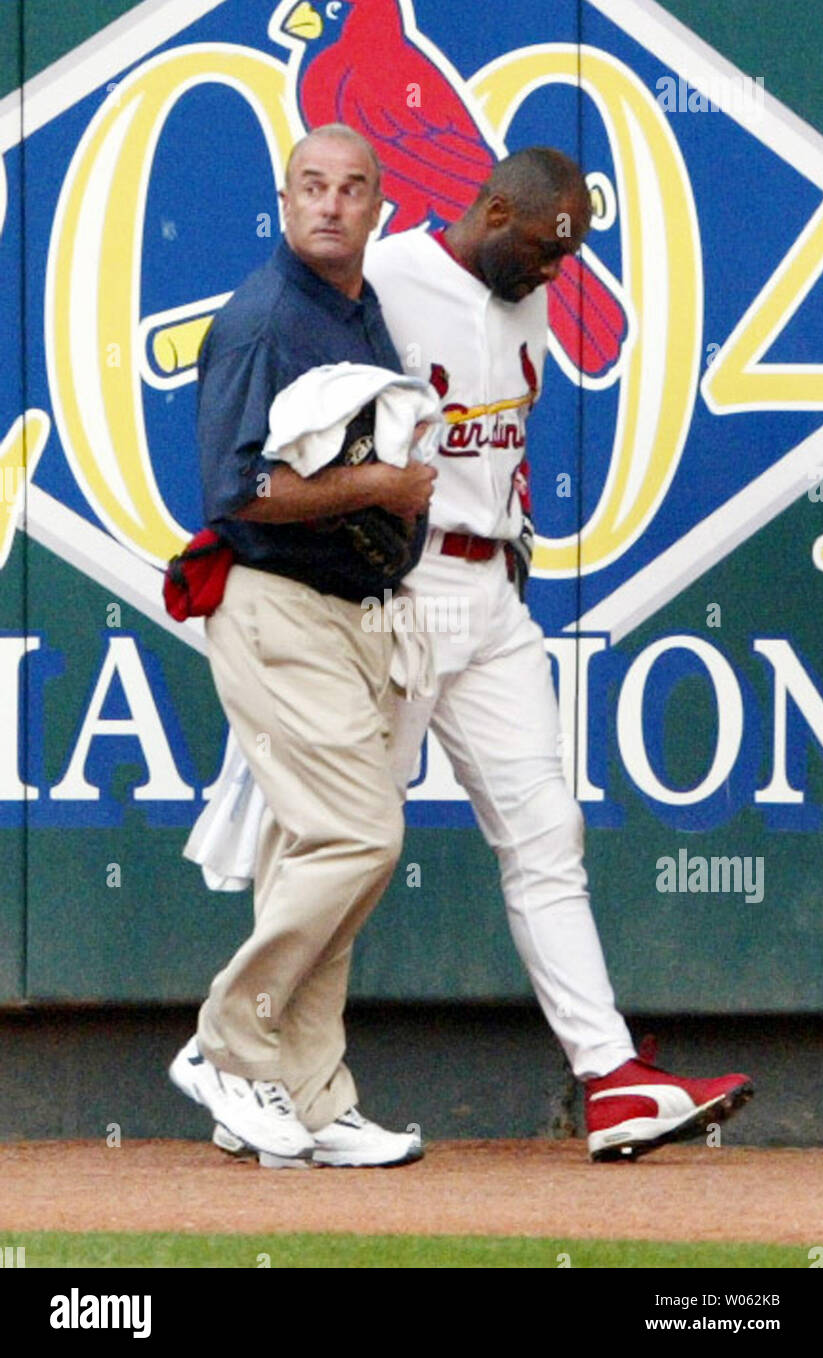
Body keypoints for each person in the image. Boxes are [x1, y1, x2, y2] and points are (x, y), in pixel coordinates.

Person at [362, 147, 754, 1161]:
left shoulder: (520, 293)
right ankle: (257, 1062)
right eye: (539, 250)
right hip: (404, 590)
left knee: (546, 830)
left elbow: (502, 442)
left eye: (562, 259)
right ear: (493, 210)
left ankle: (610, 1076)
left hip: (492, 592)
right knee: (340, 839)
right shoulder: (388, 276)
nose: (550, 274)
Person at [168, 124, 436, 1168]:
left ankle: (307, 1095)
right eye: (310, 187)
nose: (329, 204)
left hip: (346, 611)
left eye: (351, 188)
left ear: (378, 205)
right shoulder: (264, 318)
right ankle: (228, 1044)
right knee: (359, 838)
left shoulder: (356, 309)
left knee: (310, 856)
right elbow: (237, 490)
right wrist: (379, 486)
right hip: (272, 604)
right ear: (284, 200)